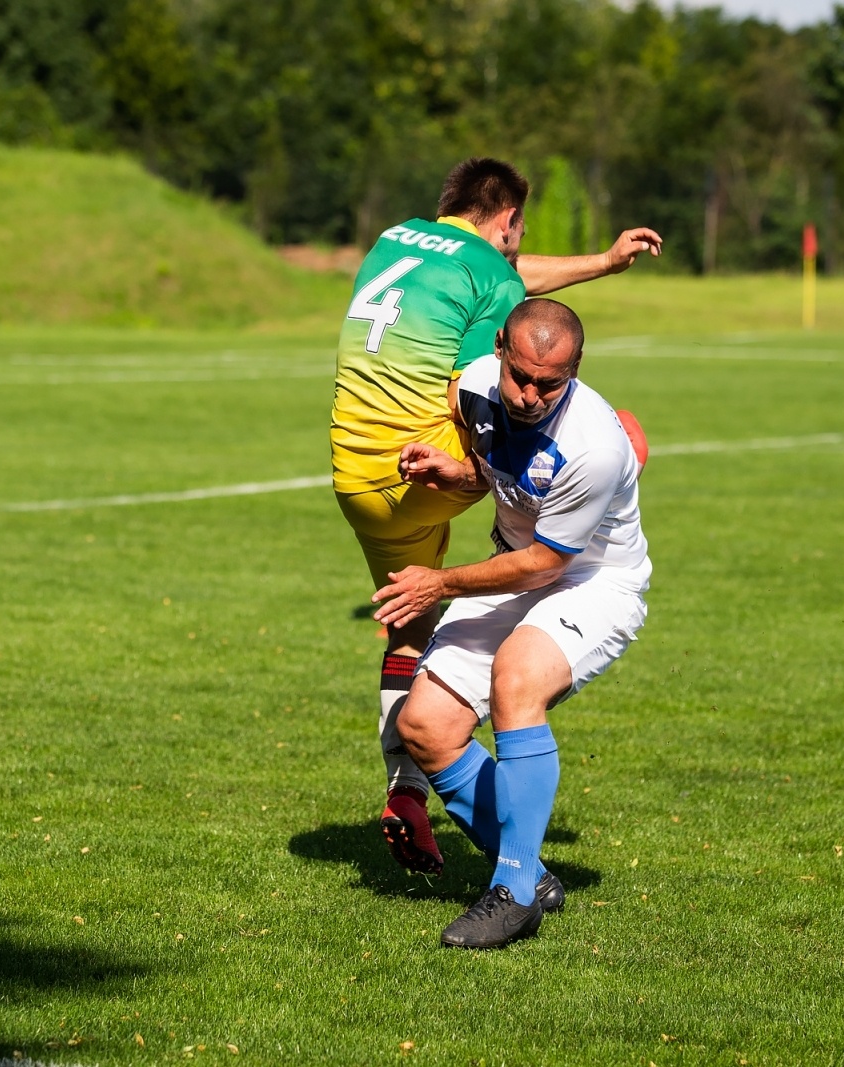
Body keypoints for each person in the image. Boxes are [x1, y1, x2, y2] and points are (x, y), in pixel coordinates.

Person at [330, 157, 661, 874]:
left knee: (408, 622)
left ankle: (424, 781)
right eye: (520, 232)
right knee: (537, 443)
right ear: (507, 220)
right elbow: (505, 334)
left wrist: (602, 262)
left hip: (352, 469)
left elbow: (509, 287)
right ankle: (409, 786)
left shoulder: (398, 238)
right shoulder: (497, 284)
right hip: (420, 464)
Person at [371, 298, 651, 949]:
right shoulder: (470, 387)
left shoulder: (595, 446)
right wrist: (460, 471)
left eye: (548, 383)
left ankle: (515, 890)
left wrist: (438, 582)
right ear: (499, 346)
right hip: (517, 564)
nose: (528, 394)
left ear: (576, 369)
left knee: (517, 678)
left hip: (594, 581)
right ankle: (525, 864)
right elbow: (507, 471)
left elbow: (543, 563)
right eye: (519, 375)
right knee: (425, 724)